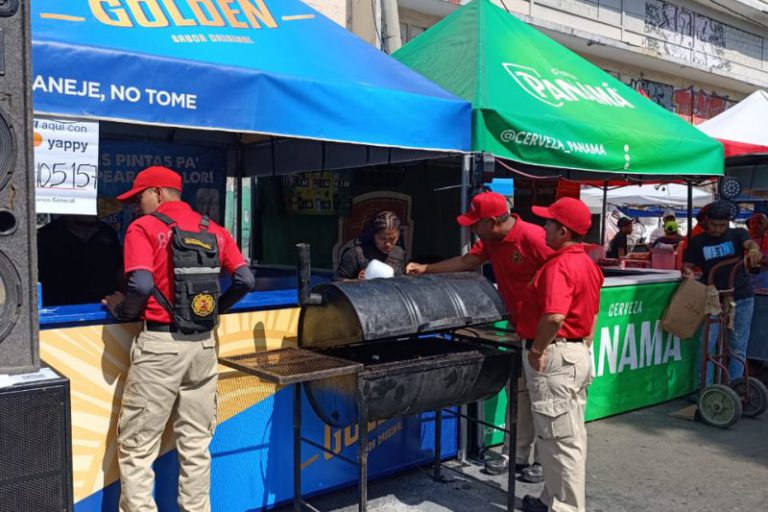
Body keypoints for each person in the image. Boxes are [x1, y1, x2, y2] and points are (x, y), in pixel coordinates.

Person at [101, 166, 255, 512]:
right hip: (203, 345)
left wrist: (122, 309)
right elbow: (245, 279)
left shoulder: (143, 227)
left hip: (160, 347)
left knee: (138, 447)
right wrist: (213, 310)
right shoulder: (214, 230)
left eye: (139, 198)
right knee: (196, 444)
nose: (136, 206)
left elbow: (140, 284)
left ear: (157, 192)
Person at [406, 191, 553, 482]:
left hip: (546, 334)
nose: (472, 228)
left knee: (545, 400)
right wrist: (426, 270)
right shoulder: (491, 240)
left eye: (476, 223)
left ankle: (544, 461)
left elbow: (566, 277)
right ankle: (516, 455)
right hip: (519, 329)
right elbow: (466, 262)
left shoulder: (534, 238)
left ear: (494, 221)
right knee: (519, 394)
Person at [516, 197, 604, 512]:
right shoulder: (587, 263)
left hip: (556, 353)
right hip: (574, 352)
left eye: (549, 223)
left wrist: (537, 350)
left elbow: (554, 316)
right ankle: (550, 499)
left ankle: (565, 507)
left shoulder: (559, 265)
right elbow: (593, 313)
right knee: (567, 437)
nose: (544, 228)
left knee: (559, 441)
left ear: (563, 232)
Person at [682, 200, 761, 386]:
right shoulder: (697, 242)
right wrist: (688, 274)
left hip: (742, 296)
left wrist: (753, 251)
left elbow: (750, 244)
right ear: (706, 221)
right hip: (713, 298)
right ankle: (706, 390)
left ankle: (734, 388)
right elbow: (687, 266)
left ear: (728, 223)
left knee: (737, 346)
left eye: (722, 225)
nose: (717, 229)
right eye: (713, 225)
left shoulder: (738, 234)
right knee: (707, 344)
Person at [37, 214, 123, 306]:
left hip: (104, 307)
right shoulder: (46, 236)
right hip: (59, 308)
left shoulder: (107, 233)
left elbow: (119, 270)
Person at [335, 211, 405, 280]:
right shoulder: (356, 254)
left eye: (392, 239)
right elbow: (337, 281)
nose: (388, 244)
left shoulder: (399, 253)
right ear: (373, 235)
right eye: (382, 239)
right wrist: (356, 281)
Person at [748, 213, 768, 289]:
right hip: (745, 280)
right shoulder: (744, 240)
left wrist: (761, 261)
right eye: (752, 222)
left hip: (764, 281)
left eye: (759, 222)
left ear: (766, 226)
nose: (755, 225)